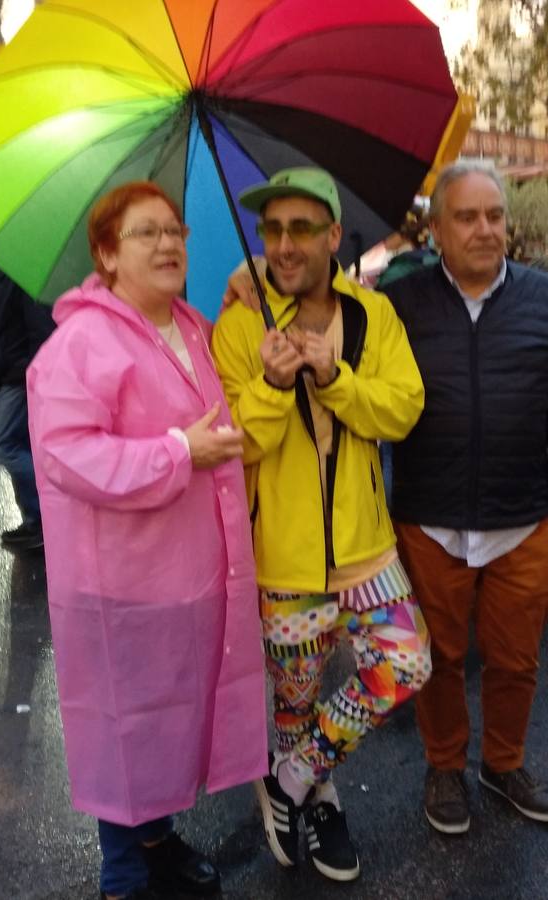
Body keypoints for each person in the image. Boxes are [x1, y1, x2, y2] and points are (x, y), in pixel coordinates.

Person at [26, 182, 268, 900]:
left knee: (169, 715)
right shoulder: (81, 343)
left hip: (189, 570)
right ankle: (124, 875)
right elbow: (68, 454)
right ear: (106, 254)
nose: (169, 244)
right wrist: (174, 453)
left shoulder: (190, 326)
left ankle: (158, 839)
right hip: (122, 583)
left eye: (176, 231)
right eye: (146, 234)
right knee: (126, 728)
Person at [212, 167, 429, 883]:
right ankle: (319, 795)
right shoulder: (241, 325)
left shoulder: (371, 316)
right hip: (283, 559)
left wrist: (335, 377)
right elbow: (236, 445)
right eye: (271, 229)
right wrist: (274, 386)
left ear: (334, 235)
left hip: (367, 549)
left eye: (301, 227)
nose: (282, 243)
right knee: (296, 703)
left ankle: (292, 778)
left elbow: (402, 410)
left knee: (405, 665)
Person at [382, 161, 548, 834]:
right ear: (437, 229)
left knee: (515, 659)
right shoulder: (400, 302)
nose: (484, 230)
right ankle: (444, 766)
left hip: (521, 519)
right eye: (467, 217)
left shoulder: (545, 297)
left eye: (494, 216)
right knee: (437, 660)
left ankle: (504, 765)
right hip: (429, 520)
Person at [0, 268, 56, 550]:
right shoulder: (6, 276)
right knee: (20, 444)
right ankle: (36, 521)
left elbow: (40, 333)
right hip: (11, 373)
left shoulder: (21, 277)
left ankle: (45, 519)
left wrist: (27, 373)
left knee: (4, 444)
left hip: (20, 376)